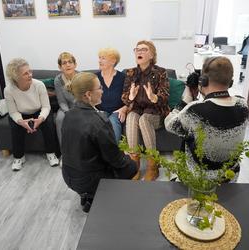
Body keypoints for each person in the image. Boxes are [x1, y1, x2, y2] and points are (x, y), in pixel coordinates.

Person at [61, 72, 137, 212]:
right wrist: (128, 156)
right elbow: (116, 160)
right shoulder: (99, 121)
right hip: (88, 180)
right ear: (88, 95)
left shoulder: (69, 115)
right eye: (100, 87)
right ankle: (99, 196)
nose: (102, 91)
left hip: (68, 175)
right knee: (132, 166)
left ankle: (88, 195)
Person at [165, 56, 249, 182]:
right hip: (229, 180)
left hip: (199, 182)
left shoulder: (194, 110)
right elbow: (218, 106)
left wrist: (186, 97)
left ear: (203, 81)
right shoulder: (243, 104)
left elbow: (169, 124)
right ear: (230, 82)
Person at [122, 40, 170, 181]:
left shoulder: (161, 72)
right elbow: (125, 98)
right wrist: (130, 96)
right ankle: (134, 164)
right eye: (137, 49)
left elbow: (165, 97)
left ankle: (153, 165)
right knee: (131, 117)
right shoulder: (130, 73)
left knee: (144, 119)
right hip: (137, 109)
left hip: (155, 111)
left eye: (143, 49)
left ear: (151, 55)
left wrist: (154, 97)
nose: (139, 52)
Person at [4, 58, 59, 171]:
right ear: (16, 77)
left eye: (30, 71)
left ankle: (51, 153)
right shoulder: (8, 90)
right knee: (15, 127)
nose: (30, 75)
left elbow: (46, 107)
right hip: (21, 114)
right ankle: (19, 157)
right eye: (25, 73)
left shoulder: (39, 85)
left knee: (48, 124)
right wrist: (21, 122)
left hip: (39, 111)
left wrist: (40, 119)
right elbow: (13, 112)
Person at [96, 48, 127, 143]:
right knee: (100, 122)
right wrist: (95, 109)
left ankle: (114, 153)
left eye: (103, 58)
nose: (100, 61)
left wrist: (124, 109)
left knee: (113, 121)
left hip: (117, 111)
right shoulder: (94, 77)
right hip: (100, 110)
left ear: (113, 61)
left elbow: (130, 98)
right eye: (99, 58)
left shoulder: (123, 77)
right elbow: (89, 97)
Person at [54, 52, 77, 145]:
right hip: (65, 107)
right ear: (60, 67)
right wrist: (68, 113)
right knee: (59, 119)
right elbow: (62, 101)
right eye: (64, 63)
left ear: (75, 64)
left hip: (80, 106)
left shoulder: (81, 77)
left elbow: (85, 99)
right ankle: (64, 153)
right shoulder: (58, 80)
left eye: (70, 62)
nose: (68, 65)